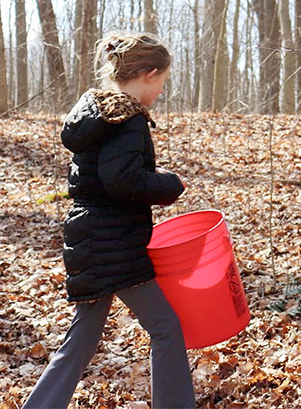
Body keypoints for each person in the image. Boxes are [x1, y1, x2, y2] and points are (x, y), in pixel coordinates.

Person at [22, 33, 195, 409]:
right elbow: (122, 181)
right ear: (148, 75)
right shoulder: (127, 119)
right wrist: (169, 184)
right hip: (112, 246)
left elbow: (110, 173)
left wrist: (150, 172)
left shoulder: (96, 113)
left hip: (92, 239)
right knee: (166, 327)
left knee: (82, 339)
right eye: (163, 82)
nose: (162, 91)